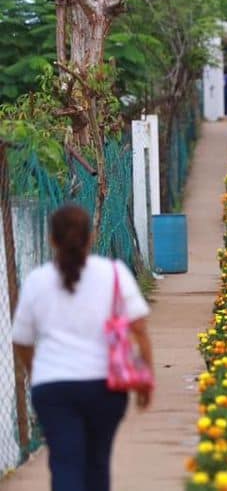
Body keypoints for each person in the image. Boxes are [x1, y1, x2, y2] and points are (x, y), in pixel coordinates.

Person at [12, 204, 153, 491]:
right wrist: (145, 380)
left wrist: (36, 371)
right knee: (97, 463)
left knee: (65, 462)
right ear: (90, 238)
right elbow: (139, 329)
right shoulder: (114, 273)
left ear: (51, 240)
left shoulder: (37, 281)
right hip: (105, 386)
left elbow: (22, 339)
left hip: (52, 388)